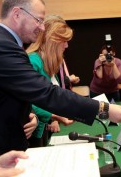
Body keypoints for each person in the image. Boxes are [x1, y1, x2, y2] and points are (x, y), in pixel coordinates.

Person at [0, 0, 121, 161]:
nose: (41, 27)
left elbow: (8, 97)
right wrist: (103, 109)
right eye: (38, 20)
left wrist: (29, 115)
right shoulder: (0, 46)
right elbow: (46, 93)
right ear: (17, 14)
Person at [26, 15, 75, 147]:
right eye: (64, 40)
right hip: (31, 132)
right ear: (51, 40)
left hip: (41, 128)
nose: (67, 45)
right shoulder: (32, 61)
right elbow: (28, 100)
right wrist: (54, 115)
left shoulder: (45, 62)